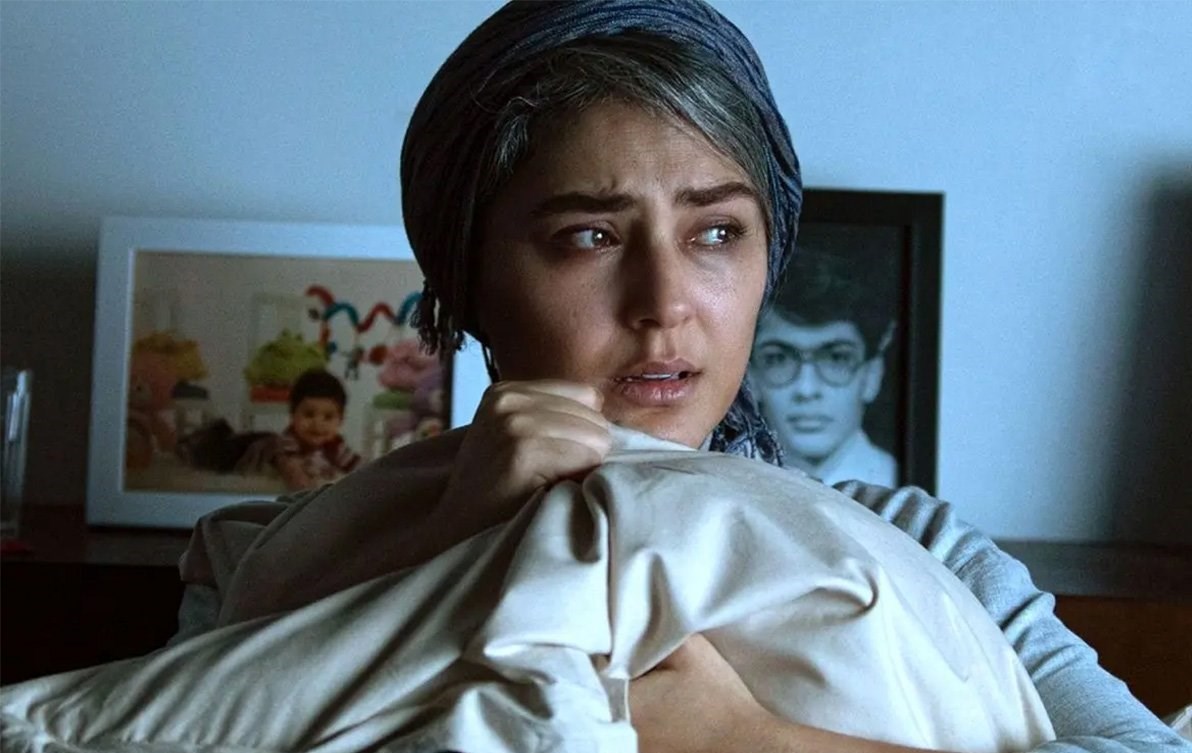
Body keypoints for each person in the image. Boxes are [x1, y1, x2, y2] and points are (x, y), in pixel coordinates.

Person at [168, 2, 1186, 752]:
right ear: (468, 279)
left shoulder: (922, 548)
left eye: (715, 233)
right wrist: (442, 544)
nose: (664, 302)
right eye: (588, 236)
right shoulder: (263, 555)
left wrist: (750, 741)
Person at [751, 248, 899, 486]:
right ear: (750, 376)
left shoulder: (906, 493)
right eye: (778, 359)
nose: (806, 390)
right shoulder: (718, 488)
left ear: (873, 375)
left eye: (837, 358)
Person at [272, 368, 361, 490]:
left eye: (328, 417)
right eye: (309, 414)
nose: (317, 424)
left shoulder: (336, 447)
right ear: (292, 415)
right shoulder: (288, 442)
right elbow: (294, 474)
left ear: (341, 420)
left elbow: (362, 468)